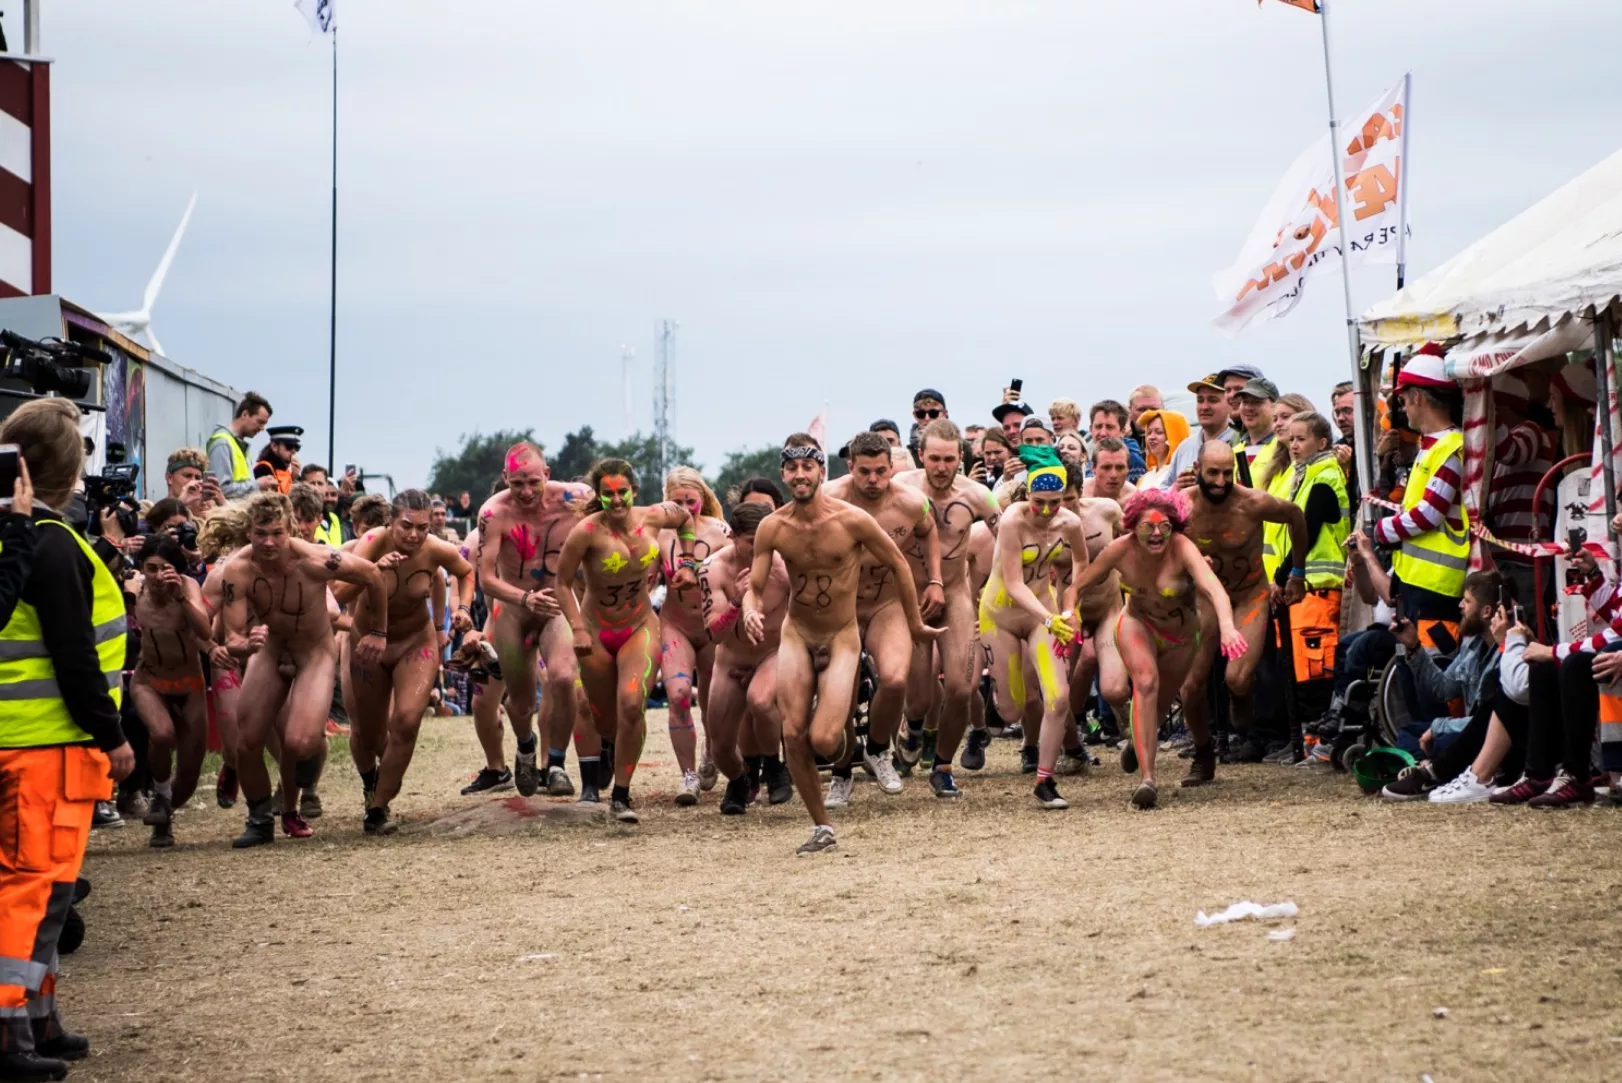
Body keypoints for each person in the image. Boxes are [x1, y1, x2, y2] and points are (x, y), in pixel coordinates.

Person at [0, 399, 134, 1079]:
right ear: (69, 468)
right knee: (33, 890)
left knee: (46, 893)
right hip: (46, 747)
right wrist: (112, 735)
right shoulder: (52, 544)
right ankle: (9, 1027)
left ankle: (36, 1016)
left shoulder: (19, 537)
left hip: (25, 743)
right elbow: (75, 657)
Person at [741, 434, 937, 854]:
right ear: (783, 474)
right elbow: (754, 586)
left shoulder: (852, 520)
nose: (799, 475)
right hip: (797, 632)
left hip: (841, 633)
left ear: (820, 471)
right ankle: (822, 826)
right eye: (792, 468)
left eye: (807, 467)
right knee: (793, 732)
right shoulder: (773, 526)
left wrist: (916, 623)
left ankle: (854, 740)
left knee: (825, 741)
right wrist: (750, 610)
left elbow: (899, 564)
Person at [220, 492, 389, 848]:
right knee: (246, 741)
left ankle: (302, 776)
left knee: (299, 742)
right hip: (270, 650)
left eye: (277, 533)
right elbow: (232, 636)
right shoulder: (238, 569)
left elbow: (373, 575)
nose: (268, 542)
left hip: (314, 651)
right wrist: (245, 644)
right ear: (249, 532)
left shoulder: (316, 559)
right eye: (260, 533)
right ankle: (259, 819)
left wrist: (378, 632)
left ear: (290, 530)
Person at [1070, 487, 1241, 809]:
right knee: (1146, 684)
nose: (1157, 533)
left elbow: (1213, 588)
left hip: (1181, 635)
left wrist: (1228, 627)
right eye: (1148, 526)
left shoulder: (1182, 547)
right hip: (1137, 624)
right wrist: (1069, 614)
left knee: (1159, 707)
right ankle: (1147, 780)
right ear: (1133, 526)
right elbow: (1079, 585)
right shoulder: (1119, 549)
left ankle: (1138, 741)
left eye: (1165, 526)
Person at [554, 459, 698, 823]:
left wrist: (687, 563)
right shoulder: (586, 532)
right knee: (606, 721)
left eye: (622, 492)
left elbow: (686, 519)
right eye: (608, 494)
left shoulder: (654, 516)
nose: (616, 500)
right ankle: (606, 746)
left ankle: (621, 794)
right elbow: (561, 582)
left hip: (639, 626)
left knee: (632, 705)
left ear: (634, 490)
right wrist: (577, 628)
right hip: (596, 632)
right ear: (599, 495)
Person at [338, 490, 475, 834]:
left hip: (415, 642)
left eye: (422, 528)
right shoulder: (371, 542)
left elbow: (465, 572)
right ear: (390, 522)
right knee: (369, 734)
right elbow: (338, 593)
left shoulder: (435, 549)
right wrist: (370, 571)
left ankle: (378, 808)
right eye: (406, 526)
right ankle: (375, 780)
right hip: (368, 644)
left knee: (407, 720)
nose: (414, 535)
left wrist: (460, 610)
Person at [823, 431, 942, 803]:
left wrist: (935, 580)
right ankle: (842, 770)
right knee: (842, 691)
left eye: (880, 471)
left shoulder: (911, 502)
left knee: (894, 679)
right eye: (864, 472)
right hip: (841, 606)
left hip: (886, 602)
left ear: (892, 467)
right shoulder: (829, 499)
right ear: (850, 467)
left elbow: (929, 531)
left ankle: (877, 749)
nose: (873, 480)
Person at [1177, 441, 1308, 775]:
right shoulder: (1181, 505)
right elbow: (1146, 530)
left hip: (1249, 594)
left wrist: (1297, 572)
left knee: (1236, 679)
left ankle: (1241, 703)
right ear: (1197, 470)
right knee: (1191, 684)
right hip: (1207, 596)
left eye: (1227, 473)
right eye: (1212, 473)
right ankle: (1203, 752)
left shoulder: (1251, 503)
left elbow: (1295, 515)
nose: (1220, 481)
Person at [474, 442, 594, 799]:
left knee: (563, 677)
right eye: (517, 484)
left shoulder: (576, 499)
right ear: (505, 478)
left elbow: (617, 522)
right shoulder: (493, 512)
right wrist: (525, 598)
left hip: (557, 604)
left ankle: (555, 763)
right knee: (522, 701)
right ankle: (526, 746)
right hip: (513, 609)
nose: (526, 492)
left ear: (547, 474)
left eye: (533, 482)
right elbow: (486, 579)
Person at [976, 447, 1090, 809]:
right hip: (1001, 615)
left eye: (1055, 503)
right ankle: (993, 699)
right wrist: (1049, 617)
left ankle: (1045, 779)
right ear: (1027, 496)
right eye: (1038, 502)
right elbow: (1013, 584)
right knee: (1012, 710)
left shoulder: (1069, 523)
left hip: (1044, 613)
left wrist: (1070, 607)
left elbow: (1081, 563)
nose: (1046, 511)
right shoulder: (1012, 520)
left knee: (1058, 697)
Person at [894, 419, 1001, 782]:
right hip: (911, 597)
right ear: (920, 455)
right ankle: (912, 726)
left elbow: (1009, 539)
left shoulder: (978, 496)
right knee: (919, 699)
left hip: (955, 594)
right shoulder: (900, 487)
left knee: (961, 689)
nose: (941, 467)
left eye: (949, 459)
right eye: (934, 459)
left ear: (961, 458)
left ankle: (942, 766)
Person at [1259, 412, 1350, 758]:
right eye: (1291, 439)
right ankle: (1300, 741)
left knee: (1314, 670)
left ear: (1322, 442)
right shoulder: (1303, 474)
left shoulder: (1325, 476)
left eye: (1302, 439)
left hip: (1317, 587)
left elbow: (1307, 532)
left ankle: (1317, 742)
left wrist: (1284, 575)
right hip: (1301, 589)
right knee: (1295, 669)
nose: (1293, 445)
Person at [1370, 346, 1468, 652]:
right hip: (1416, 583)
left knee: (1433, 673)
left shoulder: (1450, 446)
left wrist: (1383, 530)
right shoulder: (1433, 445)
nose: (1403, 409)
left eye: (1402, 401)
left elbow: (1428, 513)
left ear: (1417, 397)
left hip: (1437, 588)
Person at [698, 501, 792, 814]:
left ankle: (774, 767)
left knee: (760, 700)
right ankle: (740, 779)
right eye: (752, 541)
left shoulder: (784, 565)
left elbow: (804, 614)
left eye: (765, 540)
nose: (759, 549)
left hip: (773, 652)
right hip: (731, 659)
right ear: (733, 536)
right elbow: (715, 634)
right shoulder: (713, 568)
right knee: (721, 746)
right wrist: (736, 602)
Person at [127, 534, 213, 849]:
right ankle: (160, 795)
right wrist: (128, 596)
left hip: (189, 685)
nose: (158, 576)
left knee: (189, 774)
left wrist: (182, 599)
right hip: (149, 680)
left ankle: (164, 816)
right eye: (151, 568)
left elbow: (205, 630)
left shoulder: (187, 587)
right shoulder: (134, 589)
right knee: (161, 734)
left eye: (165, 568)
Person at [657, 467, 731, 804]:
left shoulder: (721, 532)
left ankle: (711, 752)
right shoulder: (659, 534)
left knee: (714, 703)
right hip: (677, 625)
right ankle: (688, 776)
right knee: (678, 695)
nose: (685, 509)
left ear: (703, 498)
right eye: (678, 503)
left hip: (713, 626)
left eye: (691, 501)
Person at [1484, 372, 1557, 613]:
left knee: (1524, 622)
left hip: (1524, 559)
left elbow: (1513, 453)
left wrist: (1489, 415)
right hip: (1505, 555)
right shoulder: (1499, 445)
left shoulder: (1531, 431)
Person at [1160, 375, 1237, 485]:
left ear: (1230, 405)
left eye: (1213, 400)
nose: (1204, 407)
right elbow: (1164, 488)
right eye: (1200, 400)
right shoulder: (1185, 448)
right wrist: (1176, 489)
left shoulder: (1239, 444)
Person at [207, 391, 274, 499]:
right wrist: (258, 485)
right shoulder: (222, 443)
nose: (262, 428)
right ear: (245, 415)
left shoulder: (240, 446)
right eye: (260, 422)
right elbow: (220, 490)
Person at [1088, 399, 1147, 483]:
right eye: (1098, 426)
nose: (1103, 433)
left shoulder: (1132, 460)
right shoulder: (1093, 456)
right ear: (1091, 429)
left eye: (1110, 427)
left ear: (1122, 431)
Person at [1231, 377, 1279, 480]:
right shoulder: (1234, 451)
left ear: (1275, 406)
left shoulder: (1284, 449)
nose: (1248, 408)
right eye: (1245, 402)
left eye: (1256, 402)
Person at [1135, 408, 1191, 490]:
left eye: (1159, 432)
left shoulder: (1182, 475)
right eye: (1149, 433)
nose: (1151, 437)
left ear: (1174, 436)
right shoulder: (1143, 479)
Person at [299, 464, 345, 547]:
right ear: (302, 485)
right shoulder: (296, 515)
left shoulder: (334, 518)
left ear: (326, 486)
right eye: (312, 483)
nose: (316, 488)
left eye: (320, 483)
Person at [253, 426, 303, 496]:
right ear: (274, 446)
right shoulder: (263, 468)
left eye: (297, 447)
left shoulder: (289, 472)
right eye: (289, 446)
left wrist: (295, 478)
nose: (293, 451)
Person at [1082, 436, 1134, 503]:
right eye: (1106, 467)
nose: (1114, 475)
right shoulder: (1079, 496)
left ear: (1128, 468)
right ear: (1093, 468)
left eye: (1120, 467)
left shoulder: (1135, 499)